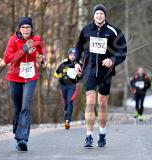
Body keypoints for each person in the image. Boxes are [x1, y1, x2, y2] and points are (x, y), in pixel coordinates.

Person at [75, 4, 127, 148]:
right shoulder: (86, 30)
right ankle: (89, 136)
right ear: (94, 15)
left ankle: (102, 134)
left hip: (106, 73)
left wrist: (112, 60)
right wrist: (77, 62)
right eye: (97, 13)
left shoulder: (114, 31)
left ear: (105, 15)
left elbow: (122, 51)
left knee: (102, 103)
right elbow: (78, 47)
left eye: (101, 14)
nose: (99, 16)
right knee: (90, 102)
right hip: (90, 71)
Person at [4, 16, 46, 151]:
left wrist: (41, 58)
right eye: (23, 27)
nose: (26, 29)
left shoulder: (37, 40)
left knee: (26, 107)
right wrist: (23, 49)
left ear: (31, 28)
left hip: (30, 77)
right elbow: (7, 59)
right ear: (19, 29)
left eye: (28, 27)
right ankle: (18, 133)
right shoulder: (13, 40)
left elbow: (42, 57)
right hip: (15, 77)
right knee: (17, 109)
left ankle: (22, 139)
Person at [54, 48, 82, 129]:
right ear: (68, 55)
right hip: (63, 86)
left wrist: (78, 77)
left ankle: (67, 121)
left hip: (72, 86)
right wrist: (62, 75)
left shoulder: (79, 63)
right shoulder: (64, 63)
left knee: (70, 101)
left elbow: (82, 74)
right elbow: (55, 74)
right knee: (65, 103)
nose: (73, 56)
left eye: (74, 55)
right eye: (71, 55)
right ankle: (66, 119)